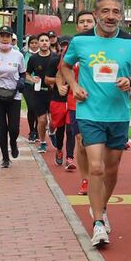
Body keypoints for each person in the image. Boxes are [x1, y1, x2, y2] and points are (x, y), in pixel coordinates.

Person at [60, 0, 131, 248]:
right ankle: (98, 222)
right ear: (96, 14)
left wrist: (130, 81)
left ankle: (102, 206)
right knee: (96, 167)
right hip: (89, 112)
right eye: (105, 11)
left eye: (116, 12)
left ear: (122, 15)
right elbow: (65, 66)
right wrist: (74, 85)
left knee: (111, 168)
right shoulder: (80, 41)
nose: (110, 16)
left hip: (118, 115)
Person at [0, 26, 25, 168]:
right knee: (2, 128)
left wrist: (21, 82)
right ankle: (5, 158)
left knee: (14, 128)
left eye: (7, 35)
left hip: (14, 95)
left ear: (11, 37)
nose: (4, 38)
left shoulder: (18, 55)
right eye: (2, 35)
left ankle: (13, 143)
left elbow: (23, 73)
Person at [64, 11, 96, 191]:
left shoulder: (104, 46)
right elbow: (63, 70)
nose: (85, 24)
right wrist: (68, 85)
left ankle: (98, 173)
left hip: (101, 102)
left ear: (95, 23)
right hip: (77, 102)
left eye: (89, 21)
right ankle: (86, 179)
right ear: (77, 26)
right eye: (82, 22)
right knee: (81, 141)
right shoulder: (73, 46)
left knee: (100, 145)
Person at [25, 33, 58, 154]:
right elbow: (27, 73)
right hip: (38, 93)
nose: (44, 43)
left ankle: (52, 131)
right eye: (42, 40)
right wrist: (32, 79)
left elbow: (61, 74)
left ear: (50, 43)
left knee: (54, 120)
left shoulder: (55, 57)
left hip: (53, 93)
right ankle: (43, 142)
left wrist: (56, 82)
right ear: (38, 43)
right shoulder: (33, 58)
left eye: (46, 40)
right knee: (42, 120)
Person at [50, 36, 74, 166]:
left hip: (73, 99)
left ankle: (70, 158)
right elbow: (50, 78)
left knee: (71, 130)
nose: (65, 47)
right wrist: (60, 86)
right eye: (63, 45)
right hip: (58, 99)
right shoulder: (55, 60)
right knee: (60, 128)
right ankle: (59, 149)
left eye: (68, 45)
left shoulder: (81, 58)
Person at [22, 34, 41, 143]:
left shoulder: (42, 54)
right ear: (29, 44)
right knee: (31, 107)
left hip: (39, 85)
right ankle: (32, 131)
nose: (34, 45)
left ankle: (38, 131)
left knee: (38, 108)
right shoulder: (25, 55)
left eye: (35, 43)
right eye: (32, 43)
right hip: (27, 85)